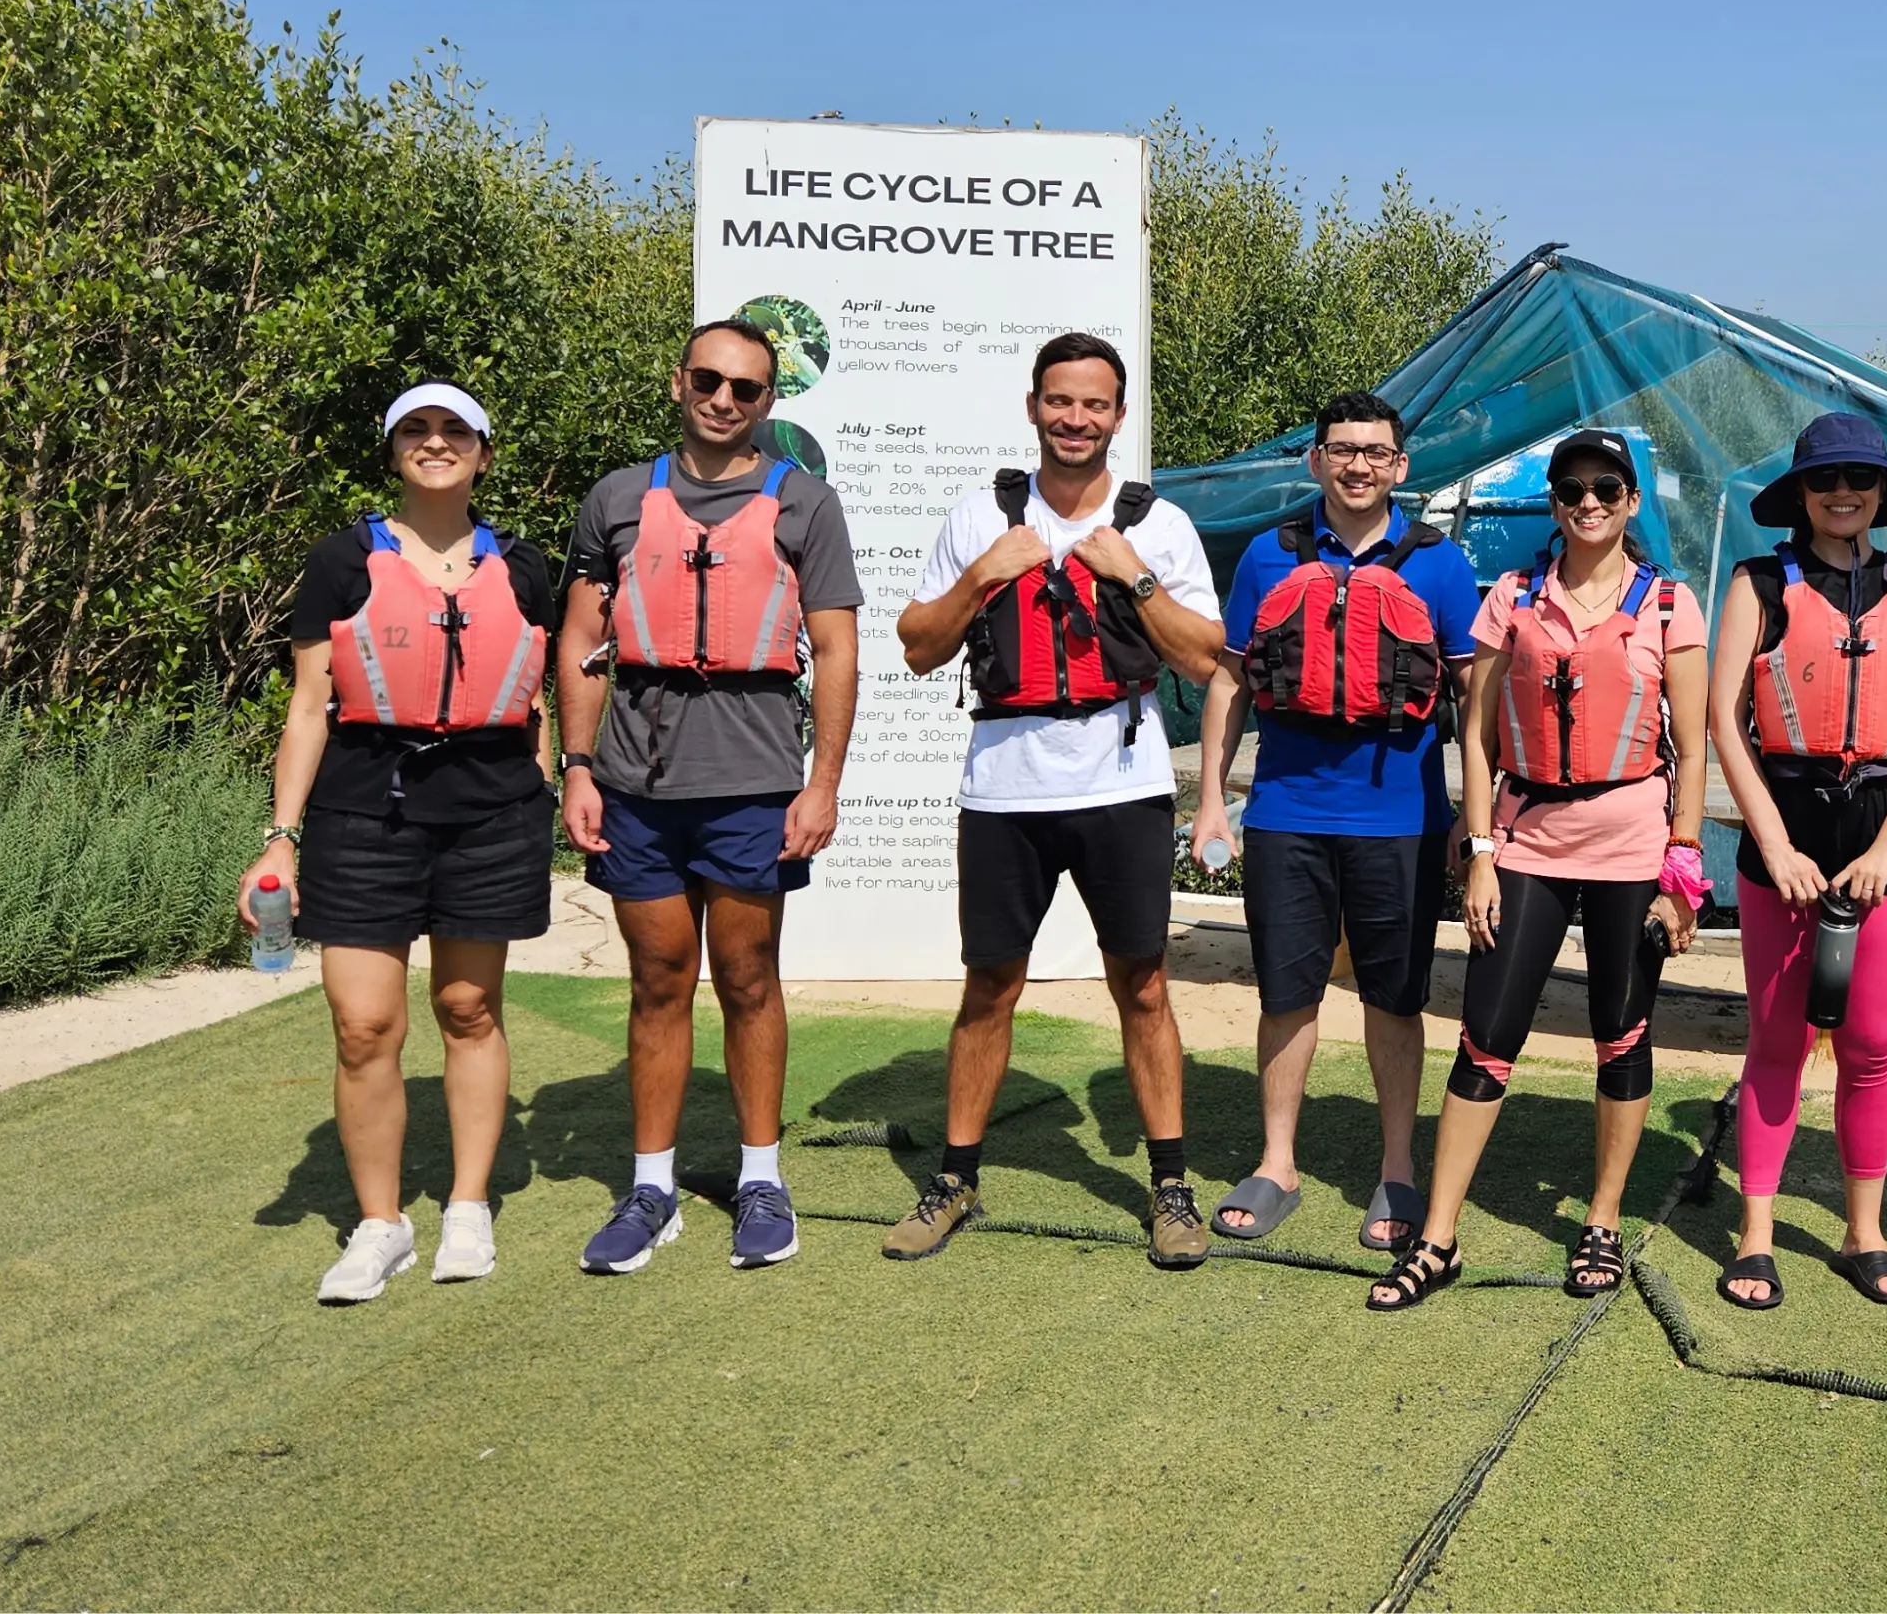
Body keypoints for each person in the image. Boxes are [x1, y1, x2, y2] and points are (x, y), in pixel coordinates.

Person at [883, 332, 1225, 1270]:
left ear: (1118, 414)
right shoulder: (980, 516)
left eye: (1096, 404)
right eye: (1060, 401)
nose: (1077, 419)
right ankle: (957, 1176)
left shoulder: (1157, 524)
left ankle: (1170, 1186)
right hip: (1003, 791)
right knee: (989, 984)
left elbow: (1203, 658)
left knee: (1144, 985)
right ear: (1034, 406)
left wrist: (1133, 576)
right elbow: (917, 646)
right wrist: (983, 575)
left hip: (1123, 786)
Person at [1369, 429, 1712, 1312]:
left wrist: (1683, 866)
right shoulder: (1512, 599)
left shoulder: (1671, 606)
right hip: (1526, 841)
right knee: (1486, 1032)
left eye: (1606, 488)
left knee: (1622, 1031)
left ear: (1632, 501)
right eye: (1571, 490)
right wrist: (1480, 852)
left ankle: (1601, 1219)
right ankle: (1438, 1236)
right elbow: (1477, 738)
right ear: (1553, 504)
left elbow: (1695, 744)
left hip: (1633, 842)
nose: (1588, 502)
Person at [240, 384, 560, 1303]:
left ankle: (467, 1206)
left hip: (491, 815)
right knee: (363, 1024)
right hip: (363, 813)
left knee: (468, 1007)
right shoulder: (341, 560)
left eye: (454, 429)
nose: (435, 443)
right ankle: (380, 1225)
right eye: (414, 430)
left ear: (484, 453)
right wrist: (280, 840)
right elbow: (308, 710)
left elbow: (534, 696)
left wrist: (537, 789)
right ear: (391, 453)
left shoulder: (527, 568)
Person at [558, 319, 862, 1275]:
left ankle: (761, 1178)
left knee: (747, 977)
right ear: (680, 382)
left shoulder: (804, 503)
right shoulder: (615, 500)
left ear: (769, 402)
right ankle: (651, 1187)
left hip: (755, 782)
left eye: (746, 388)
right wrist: (574, 764)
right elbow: (578, 643)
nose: (725, 400)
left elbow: (841, 651)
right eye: (709, 380)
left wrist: (823, 785)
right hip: (635, 784)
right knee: (655, 981)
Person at [1190, 391, 1483, 1250]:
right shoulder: (1265, 557)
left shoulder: (1440, 565)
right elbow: (1230, 681)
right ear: (1315, 460)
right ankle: (1277, 1161)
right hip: (1286, 812)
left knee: (1395, 999)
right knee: (1287, 993)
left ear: (1399, 466)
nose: (1358, 464)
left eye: (1375, 451)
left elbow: (1474, 699)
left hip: (1403, 819)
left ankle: (1397, 1170)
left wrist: (1476, 813)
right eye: (1341, 449)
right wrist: (1213, 796)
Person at [1708, 412, 1887, 1311]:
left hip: (1882, 834)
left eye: (1859, 480)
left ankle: (1865, 1232)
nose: (1842, 494)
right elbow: (1724, 722)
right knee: (1777, 1039)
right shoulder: (1757, 583)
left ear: (1883, 493)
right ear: (1801, 495)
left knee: (1869, 1046)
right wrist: (1773, 842)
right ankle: (1757, 1235)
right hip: (1785, 829)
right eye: (1825, 482)